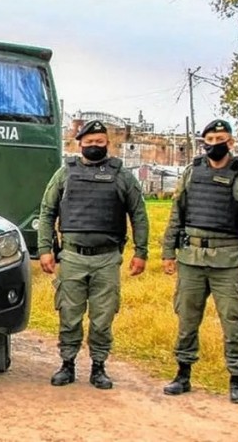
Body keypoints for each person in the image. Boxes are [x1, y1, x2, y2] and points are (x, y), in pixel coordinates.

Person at [161, 119, 238, 404]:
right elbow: (177, 214)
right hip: (192, 259)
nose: (214, 143)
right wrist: (168, 252)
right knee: (187, 320)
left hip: (229, 260)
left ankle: (237, 379)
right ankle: (182, 375)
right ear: (203, 142)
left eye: (220, 138)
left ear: (231, 142)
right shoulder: (192, 172)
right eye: (209, 139)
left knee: (233, 322)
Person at [37, 120, 149, 390]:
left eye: (99, 143)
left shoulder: (122, 176)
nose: (94, 147)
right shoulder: (65, 174)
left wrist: (141, 252)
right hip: (72, 257)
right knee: (69, 315)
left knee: (102, 317)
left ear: (107, 144)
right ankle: (67, 364)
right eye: (89, 143)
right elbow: (46, 211)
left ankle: (99, 367)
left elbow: (139, 214)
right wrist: (44, 250)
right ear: (80, 144)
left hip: (107, 259)